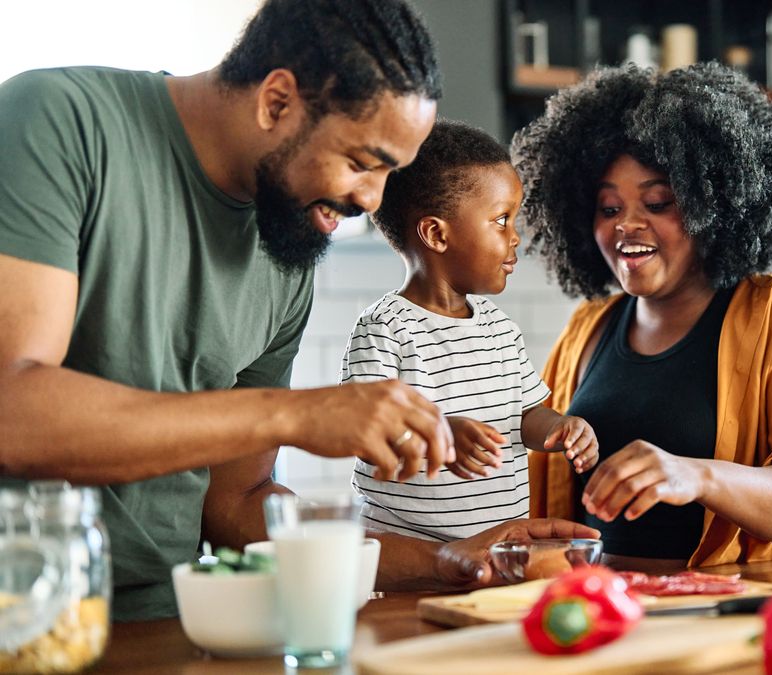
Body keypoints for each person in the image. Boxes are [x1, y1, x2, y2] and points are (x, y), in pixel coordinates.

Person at [0, 0, 593, 622]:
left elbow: (239, 509)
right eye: (362, 163)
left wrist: (447, 558)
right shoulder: (59, 122)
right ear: (276, 101)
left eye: (390, 173)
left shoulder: (286, 251)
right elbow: (13, 414)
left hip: (166, 617)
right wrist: (296, 414)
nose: (371, 199)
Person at [512, 63, 772, 570]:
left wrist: (695, 476)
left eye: (657, 202)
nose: (628, 224)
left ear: (711, 204)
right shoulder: (585, 330)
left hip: (718, 618)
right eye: (608, 208)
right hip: (594, 617)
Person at [344, 120, 599, 542]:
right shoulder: (386, 329)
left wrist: (559, 428)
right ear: (436, 234)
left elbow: (524, 416)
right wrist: (440, 436)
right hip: (410, 561)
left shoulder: (500, 330)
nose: (515, 238)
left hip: (499, 551)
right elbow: (363, 429)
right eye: (501, 220)